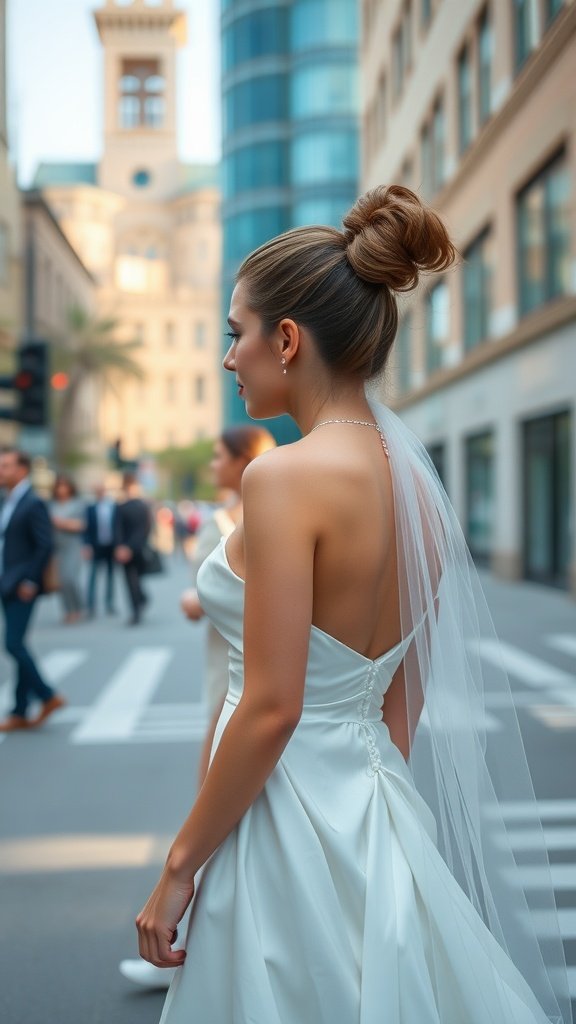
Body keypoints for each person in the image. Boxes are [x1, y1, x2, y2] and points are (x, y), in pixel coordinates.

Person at [136, 186, 571, 1024]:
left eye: (238, 333)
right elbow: (399, 699)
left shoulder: (281, 477)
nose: (231, 359)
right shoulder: (418, 486)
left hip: (277, 808)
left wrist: (181, 865)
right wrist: (365, 810)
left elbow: (270, 707)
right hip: (376, 805)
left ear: (288, 340)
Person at [119, 424, 276, 990]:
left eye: (217, 456)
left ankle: (196, 945)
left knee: (219, 809)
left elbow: (216, 603)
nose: (211, 465)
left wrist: (197, 599)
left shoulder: (233, 521)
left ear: (242, 461)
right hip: (239, 678)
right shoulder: (244, 514)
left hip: (240, 683)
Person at [0, 449, 66, 731]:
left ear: (22, 470)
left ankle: (48, 696)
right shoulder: (8, 501)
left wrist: (29, 581)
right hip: (7, 582)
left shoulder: (32, 503)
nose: (1, 470)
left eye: (6, 465)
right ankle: (19, 710)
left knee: (13, 643)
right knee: (19, 643)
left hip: (21, 585)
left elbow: (44, 544)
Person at [114, 473, 151, 626]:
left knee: (134, 580)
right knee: (131, 581)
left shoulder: (142, 506)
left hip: (135, 549)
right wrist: (121, 547)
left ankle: (140, 602)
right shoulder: (123, 506)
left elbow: (144, 530)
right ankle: (137, 607)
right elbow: (117, 529)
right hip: (130, 548)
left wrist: (125, 547)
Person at [50, 473, 86, 624]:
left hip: (72, 546)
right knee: (61, 580)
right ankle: (67, 610)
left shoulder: (77, 504)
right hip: (56, 547)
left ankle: (78, 607)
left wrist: (60, 523)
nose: (61, 489)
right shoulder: (52, 505)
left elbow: (80, 525)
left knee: (70, 578)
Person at [84, 483, 117, 617]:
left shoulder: (113, 507)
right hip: (95, 546)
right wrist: (86, 545)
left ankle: (109, 603)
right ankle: (90, 605)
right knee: (92, 576)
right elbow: (86, 528)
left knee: (110, 576)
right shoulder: (90, 508)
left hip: (110, 546)